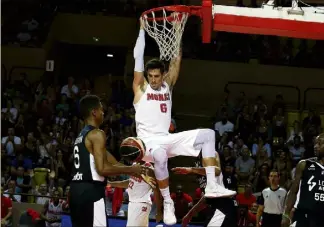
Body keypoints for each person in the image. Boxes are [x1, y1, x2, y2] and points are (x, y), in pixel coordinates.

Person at [131, 18, 236, 225]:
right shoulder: (140, 88)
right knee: (160, 155)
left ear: (163, 76)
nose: (153, 79)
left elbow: (176, 60)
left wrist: (178, 31)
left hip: (166, 138)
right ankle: (168, 201)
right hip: (147, 144)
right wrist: (142, 30)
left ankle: (212, 185)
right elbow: (138, 57)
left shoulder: (167, 86)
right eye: (150, 76)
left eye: (156, 76)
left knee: (208, 134)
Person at [69, 95, 152, 227]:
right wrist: (130, 169)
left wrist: (133, 172)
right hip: (91, 191)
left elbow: (111, 161)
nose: (103, 113)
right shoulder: (97, 134)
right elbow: (102, 169)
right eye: (101, 110)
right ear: (94, 112)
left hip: (75, 190)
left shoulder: (81, 135)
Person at [172, 151, 237, 227]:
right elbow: (206, 198)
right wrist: (189, 215)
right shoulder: (197, 161)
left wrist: (191, 170)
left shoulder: (210, 153)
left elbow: (217, 171)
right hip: (215, 208)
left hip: (224, 206)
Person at [281, 133, 324, 227]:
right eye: (315, 143)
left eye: (319, 144)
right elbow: (293, 191)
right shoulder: (304, 164)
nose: (316, 146)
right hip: (304, 215)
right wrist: (286, 214)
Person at [108, 162, 162, 227]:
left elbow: (157, 190)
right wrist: (111, 183)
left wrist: (159, 211)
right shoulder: (135, 164)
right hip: (133, 203)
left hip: (141, 204)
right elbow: (130, 183)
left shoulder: (148, 168)